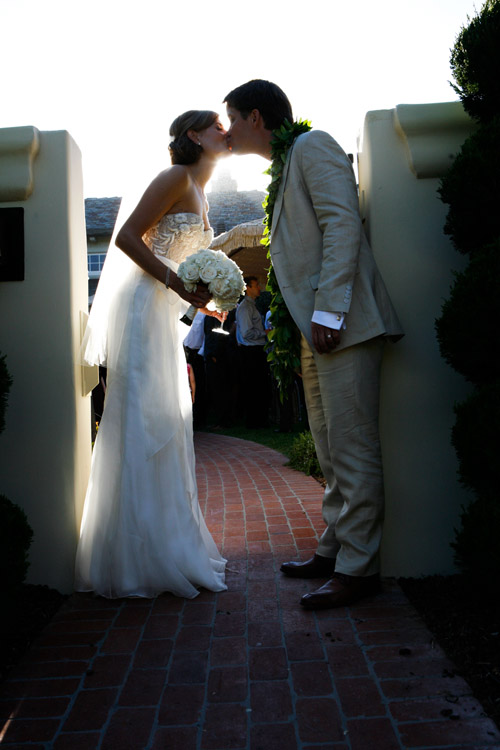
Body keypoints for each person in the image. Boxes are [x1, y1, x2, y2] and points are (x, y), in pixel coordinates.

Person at [224, 80, 404, 609]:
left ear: (255, 117)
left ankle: (358, 569)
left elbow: (342, 222)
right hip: (312, 331)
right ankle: (332, 549)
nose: (227, 129)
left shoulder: (312, 144)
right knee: (328, 448)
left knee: (352, 448)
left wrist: (329, 310)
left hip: (343, 322)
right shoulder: (285, 164)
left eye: (230, 117)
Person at [75, 110, 230, 599]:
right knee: (143, 422)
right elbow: (125, 238)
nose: (225, 132)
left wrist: (205, 297)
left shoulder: (201, 188)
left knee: (169, 419)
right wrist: (178, 284)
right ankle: (133, 559)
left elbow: (183, 257)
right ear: (193, 135)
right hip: (144, 309)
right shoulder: (175, 177)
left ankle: (166, 543)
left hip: (165, 315)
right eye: (217, 125)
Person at [235, 276, 270, 428]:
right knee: (253, 386)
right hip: (250, 351)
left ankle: (259, 419)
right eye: (256, 286)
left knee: (259, 385)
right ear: (247, 288)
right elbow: (246, 332)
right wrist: (265, 333)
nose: (259, 288)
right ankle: (254, 420)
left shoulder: (252, 306)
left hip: (255, 349)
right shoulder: (245, 308)